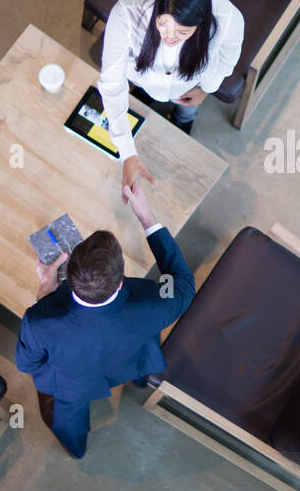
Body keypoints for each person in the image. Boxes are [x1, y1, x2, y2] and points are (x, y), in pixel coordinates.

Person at [15, 183, 193, 459]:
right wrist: (146, 216)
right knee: (141, 349)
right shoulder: (155, 303)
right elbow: (183, 281)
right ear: (121, 281)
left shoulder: (38, 321)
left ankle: (75, 448)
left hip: (75, 383)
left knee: (68, 418)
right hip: (132, 357)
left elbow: (27, 364)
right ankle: (140, 379)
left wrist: (45, 293)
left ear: (68, 275)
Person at [98, 0, 243, 192]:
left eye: (182, 32)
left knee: (186, 112)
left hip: (189, 85)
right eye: (163, 24)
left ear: (200, 25)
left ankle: (182, 122)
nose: (169, 36)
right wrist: (127, 151)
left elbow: (227, 60)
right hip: (143, 78)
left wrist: (206, 89)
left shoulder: (229, 19)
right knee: (140, 101)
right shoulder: (127, 12)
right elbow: (111, 83)